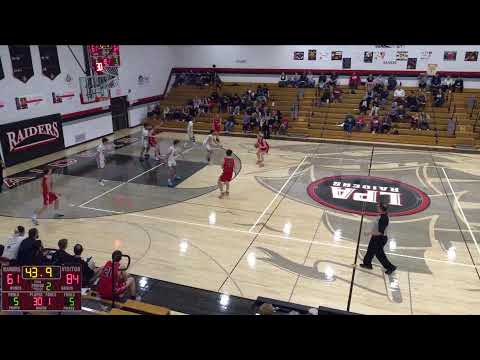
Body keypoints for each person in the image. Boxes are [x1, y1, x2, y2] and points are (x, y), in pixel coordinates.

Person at [360, 203, 396, 275]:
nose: (377, 208)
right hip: (375, 237)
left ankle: (391, 267)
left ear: (381, 209)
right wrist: (365, 214)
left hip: (380, 239)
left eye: (378, 207)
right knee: (370, 250)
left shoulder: (383, 218)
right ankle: (367, 264)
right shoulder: (381, 215)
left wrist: (369, 233)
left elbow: (380, 232)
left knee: (379, 254)